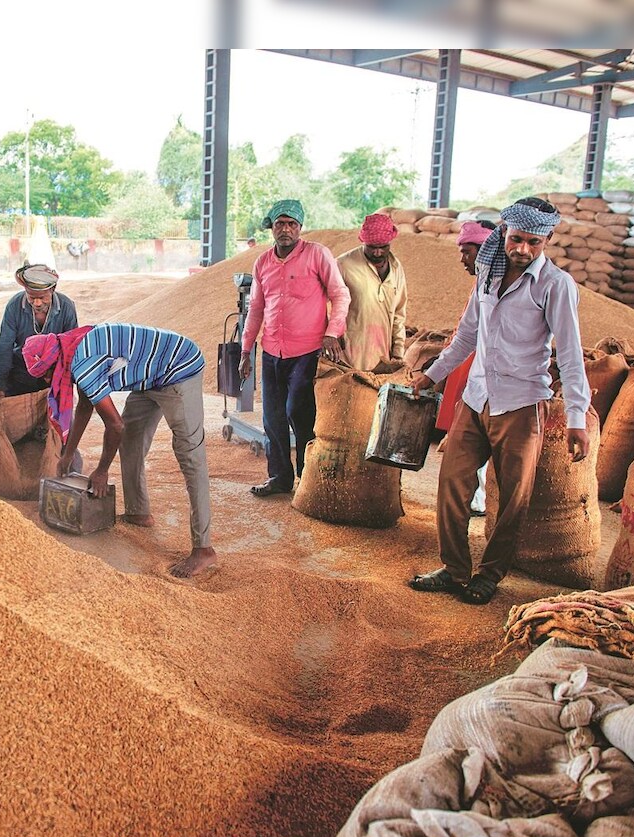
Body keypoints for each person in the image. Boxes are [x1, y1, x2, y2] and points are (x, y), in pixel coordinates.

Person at [408, 198, 591, 605]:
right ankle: (454, 568)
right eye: (516, 239)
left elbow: (570, 354)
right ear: (504, 232)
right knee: (452, 481)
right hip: (476, 397)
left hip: (522, 404)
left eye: (533, 242)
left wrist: (577, 417)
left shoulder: (555, 285)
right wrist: (433, 374)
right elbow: (466, 335)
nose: (522, 249)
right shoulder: (487, 272)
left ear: (548, 239)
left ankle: (489, 574)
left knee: (513, 498)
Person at [22, 323, 217, 578]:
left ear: (53, 362)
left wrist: (101, 471)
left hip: (179, 367)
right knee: (131, 440)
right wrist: (68, 454)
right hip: (149, 375)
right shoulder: (72, 348)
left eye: (46, 374)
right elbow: (85, 405)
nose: (48, 380)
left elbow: (115, 425)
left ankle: (203, 549)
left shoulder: (83, 364)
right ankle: (138, 513)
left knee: (190, 455)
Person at [238, 199, 351, 498]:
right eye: (280, 224)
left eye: (292, 224)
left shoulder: (317, 254)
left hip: (307, 352)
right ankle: (279, 478)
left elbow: (340, 295)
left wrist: (332, 333)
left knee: (299, 414)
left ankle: (307, 477)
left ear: (300, 227)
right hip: (272, 351)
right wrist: (246, 350)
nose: (286, 229)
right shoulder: (262, 262)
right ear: (272, 228)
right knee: (272, 417)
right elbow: (256, 309)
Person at [0, 264, 79, 472]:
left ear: (53, 289)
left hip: (52, 378)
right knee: (1, 424)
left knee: (65, 427)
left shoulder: (67, 307)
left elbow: (71, 348)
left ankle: (71, 472)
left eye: (42, 297)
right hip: (20, 375)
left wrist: (62, 383)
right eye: (31, 297)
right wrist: (0, 385)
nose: (37, 303)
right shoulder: (14, 306)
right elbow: (4, 347)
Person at [440, 219, 497, 516]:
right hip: (470, 369)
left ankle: (479, 499)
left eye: (467, 252)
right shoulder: (482, 283)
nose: (463, 259)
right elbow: (465, 334)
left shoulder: (498, 284)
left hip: (488, 375)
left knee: (482, 437)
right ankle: (473, 497)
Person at [337, 213, 410, 371]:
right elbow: (323, 303)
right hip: (350, 355)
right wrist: (333, 335)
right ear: (363, 241)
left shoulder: (396, 268)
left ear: (390, 242)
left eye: (383, 247)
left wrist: (398, 353)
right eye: (371, 247)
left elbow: (399, 314)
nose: (377, 253)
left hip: (383, 356)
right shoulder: (343, 265)